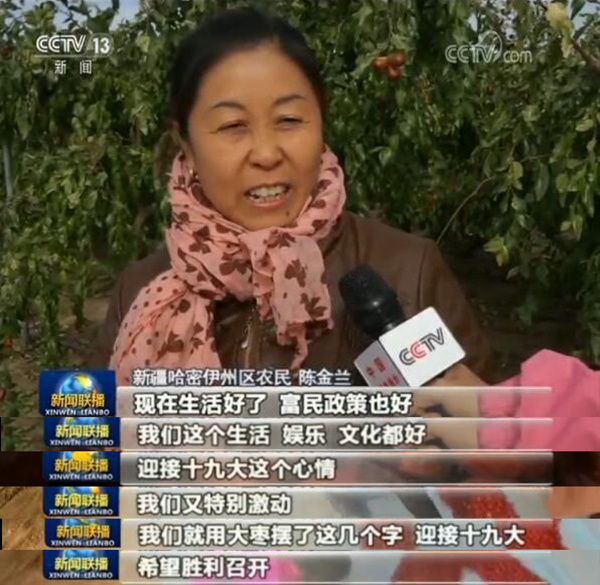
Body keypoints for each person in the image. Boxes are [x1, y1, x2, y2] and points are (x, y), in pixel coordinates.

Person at [86, 6, 491, 390]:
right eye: (232, 126)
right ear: (186, 146)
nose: (266, 154)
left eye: (289, 120)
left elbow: (489, 430)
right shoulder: (140, 291)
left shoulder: (407, 272)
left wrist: (470, 429)